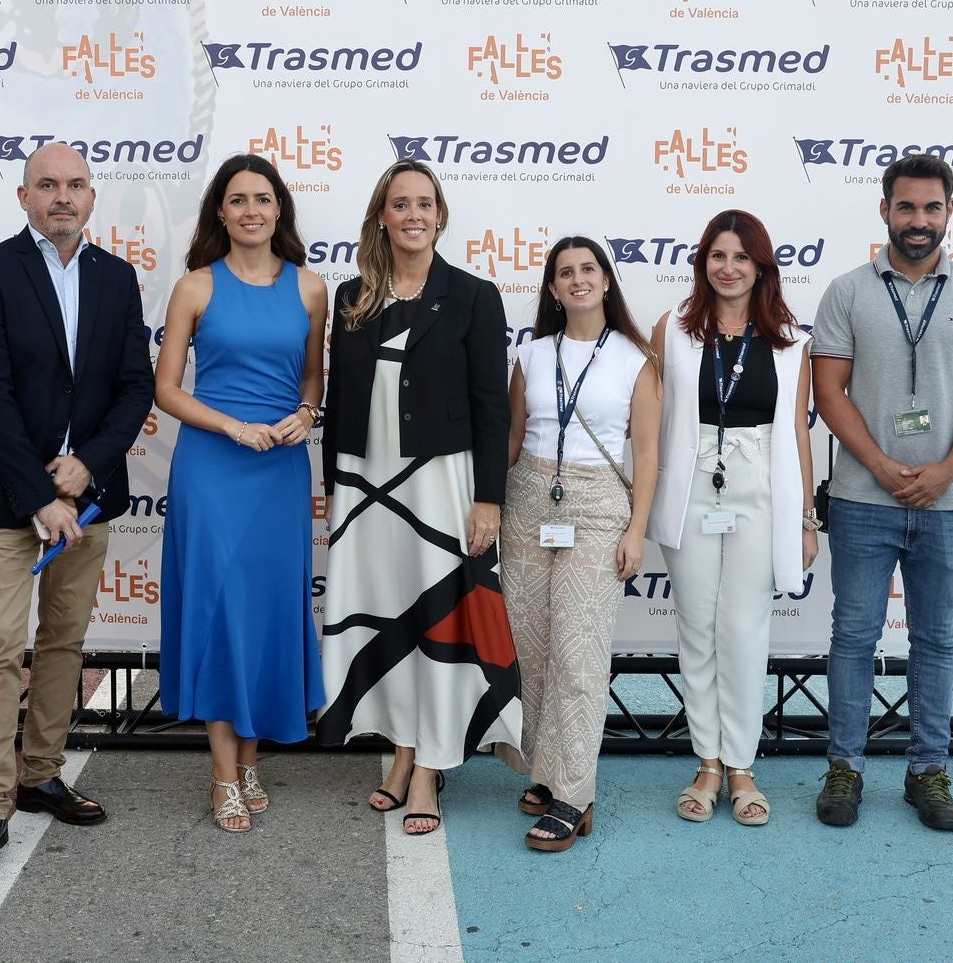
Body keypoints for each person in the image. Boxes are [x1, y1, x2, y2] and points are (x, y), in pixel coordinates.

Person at [0, 142, 153, 879]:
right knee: (3, 642)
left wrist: (87, 466)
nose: (61, 197)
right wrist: (42, 493)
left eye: (74, 185)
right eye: (47, 185)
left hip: (89, 496)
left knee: (64, 642)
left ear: (92, 198)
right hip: (11, 496)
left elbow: (134, 387)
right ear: (23, 195)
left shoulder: (116, 277)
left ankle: (40, 773)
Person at [316, 159, 520, 837]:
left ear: (440, 216)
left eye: (423, 204)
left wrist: (489, 500)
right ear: (381, 215)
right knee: (384, 620)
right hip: (363, 491)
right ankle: (401, 749)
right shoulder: (352, 298)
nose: (411, 214)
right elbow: (340, 399)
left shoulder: (472, 296)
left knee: (434, 622)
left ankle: (430, 767)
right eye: (399, 203)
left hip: (438, 488)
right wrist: (333, 492)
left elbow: (493, 408)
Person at [811, 153, 953, 832]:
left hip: (947, 505)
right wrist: (879, 463)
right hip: (865, 499)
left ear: (949, 211)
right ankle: (845, 768)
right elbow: (827, 392)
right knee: (853, 638)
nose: (918, 221)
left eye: (931, 208)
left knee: (936, 640)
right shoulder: (846, 291)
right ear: (885, 211)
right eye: (906, 207)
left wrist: (949, 468)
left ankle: (928, 772)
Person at [155, 153, 329, 833]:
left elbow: (313, 380)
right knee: (220, 611)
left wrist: (304, 415)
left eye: (263, 197)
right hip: (212, 468)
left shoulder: (312, 289)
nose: (251, 209)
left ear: (279, 208)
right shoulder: (195, 287)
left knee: (268, 614)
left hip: (281, 471)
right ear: (220, 213)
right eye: (238, 199)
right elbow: (166, 389)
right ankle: (224, 773)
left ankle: (251, 759)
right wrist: (231, 424)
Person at [648, 210, 815, 827]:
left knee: (744, 628)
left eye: (741, 257)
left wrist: (805, 520)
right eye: (717, 256)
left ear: (761, 266)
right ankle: (707, 763)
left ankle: (742, 765)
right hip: (690, 490)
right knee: (696, 627)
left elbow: (798, 429)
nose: (728, 267)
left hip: (760, 492)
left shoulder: (793, 341)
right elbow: (650, 422)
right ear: (702, 264)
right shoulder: (673, 331)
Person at [498, 236, 660, 852]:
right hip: (530, 501)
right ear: (552, 288)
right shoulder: (532, 356)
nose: (578, 280)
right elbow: (515, 437)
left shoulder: (633, 359)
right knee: (533, 650)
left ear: (606, 280)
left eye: (588, 269)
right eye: (565, 272)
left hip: (596, 508)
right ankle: (545, 769)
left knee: (578, 653)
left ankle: (573, 793)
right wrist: (487, 500)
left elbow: (645, 453)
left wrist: (636, 528)